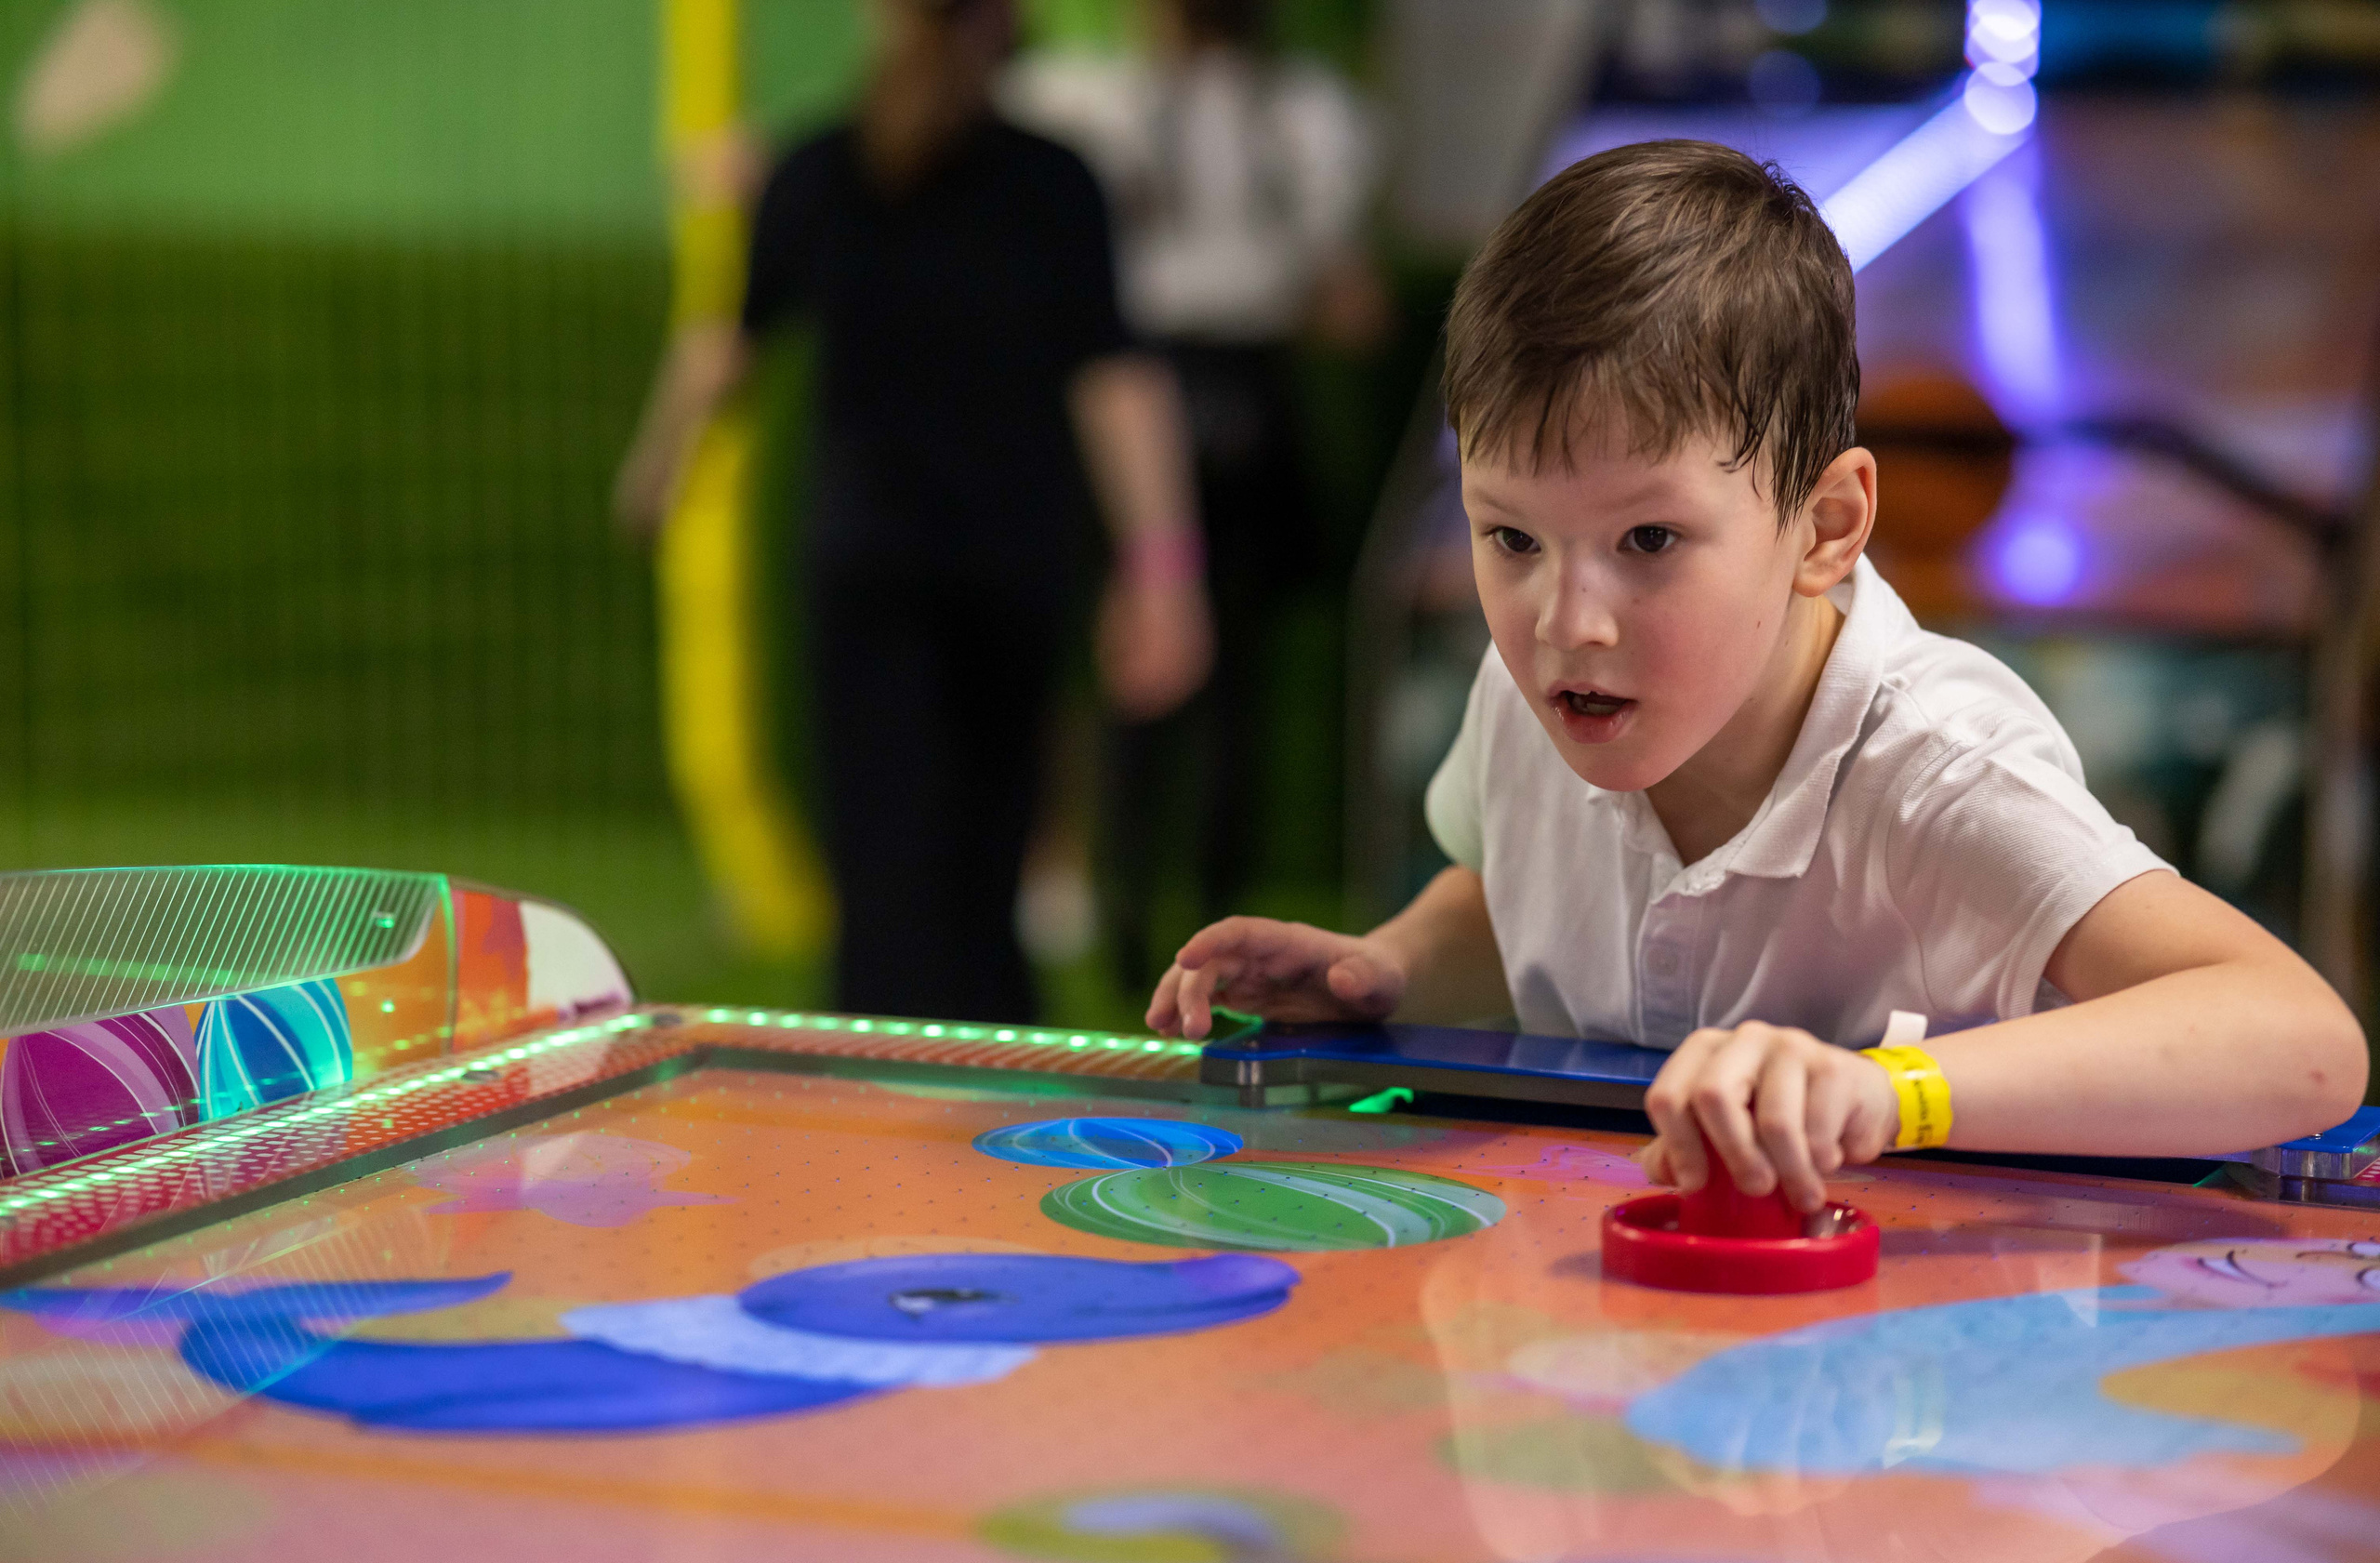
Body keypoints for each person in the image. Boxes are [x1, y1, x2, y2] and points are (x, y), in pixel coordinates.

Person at [1145, 141, 2366, 1205]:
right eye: (1510, 537)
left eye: (1648, 539)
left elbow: (2303, 1041)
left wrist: (1887, 1092)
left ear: (1826, 526)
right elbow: (1510, 891)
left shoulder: (1934, 766)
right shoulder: (1527, 701)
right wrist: (1389, 968)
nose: (1567, 622)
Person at [616, 0, 1211, 1024]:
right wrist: (1164, 569)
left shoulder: (819, 169)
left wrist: (656, 465)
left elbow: (727, 344)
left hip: (871, 555)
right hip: (1008, 555)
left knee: (879, 855)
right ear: (1003, 27)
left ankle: (878, 1064)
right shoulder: (1052, 181)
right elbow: (1118, 379)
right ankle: (989, 1058)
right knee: (987, 850)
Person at [1003, 0, 1384, 988]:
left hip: (1223, 394)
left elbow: (1340, 293)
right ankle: (1140, 911)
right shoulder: (1126, 103)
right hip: (1165, 385)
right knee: (1165, 675)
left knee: (1200, 681)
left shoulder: (1289, 113)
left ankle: (1176, 916)